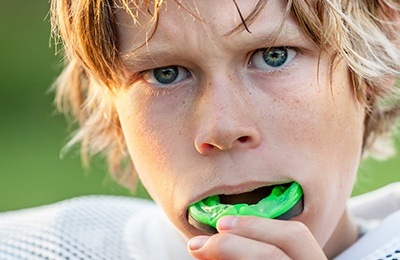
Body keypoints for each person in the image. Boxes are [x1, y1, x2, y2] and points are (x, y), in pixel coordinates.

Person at [1, 0, 400, 259]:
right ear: (111, 105)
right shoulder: (35, 248)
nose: (222, 128)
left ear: (383, 45)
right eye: (165, 73)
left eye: (273, 56)